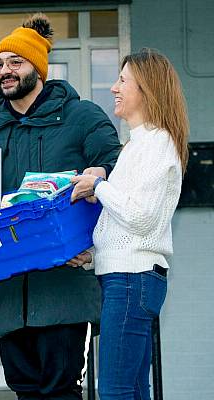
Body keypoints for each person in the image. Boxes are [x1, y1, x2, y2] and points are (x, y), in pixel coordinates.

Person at [0, 14, 121, 399]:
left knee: (61, 390)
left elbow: (118, 178)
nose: (5, 71)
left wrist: (90, 244)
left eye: (15, 62)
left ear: (38, 67)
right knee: (24, 389)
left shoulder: (81, 117)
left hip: (64, 289)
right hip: (7, 289)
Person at [69, 48, 189, 400]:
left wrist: (100, 187)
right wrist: (92, 254)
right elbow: (129, 221)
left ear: (147, 89)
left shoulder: (156, 144)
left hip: (131, 281)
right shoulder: (139, 145)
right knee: (134, 389)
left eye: (123, 80)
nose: (114, 88)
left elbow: (140, 216)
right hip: (129, 278)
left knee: (116, 391)